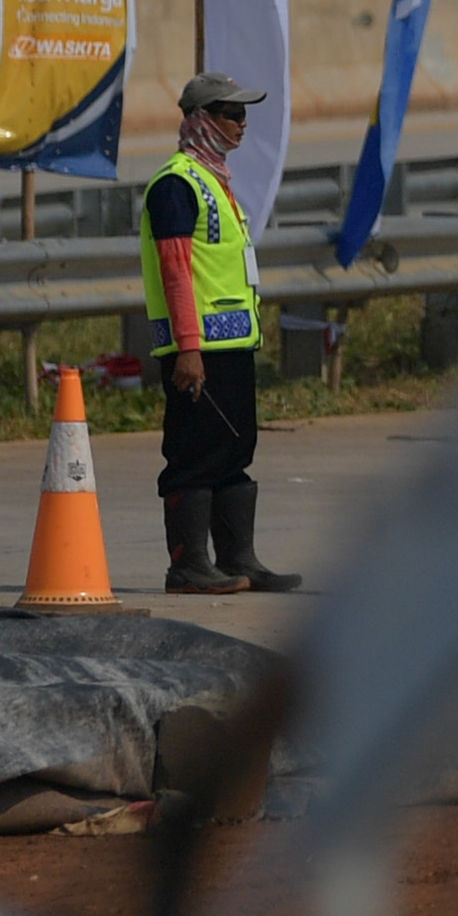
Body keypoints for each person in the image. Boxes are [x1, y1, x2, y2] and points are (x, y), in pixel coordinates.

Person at [143, 72, 300, 595]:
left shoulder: (216, 181)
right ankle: (188, 566)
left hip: (231, 344)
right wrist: (189, 349)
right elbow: (176, 272)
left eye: (243, 114)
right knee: (195, 455)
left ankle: (239, 560)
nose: (242, 124)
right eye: (231, 114)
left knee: (235, 451)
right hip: (199, 350)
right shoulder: (176, 184)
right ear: (203, 119)